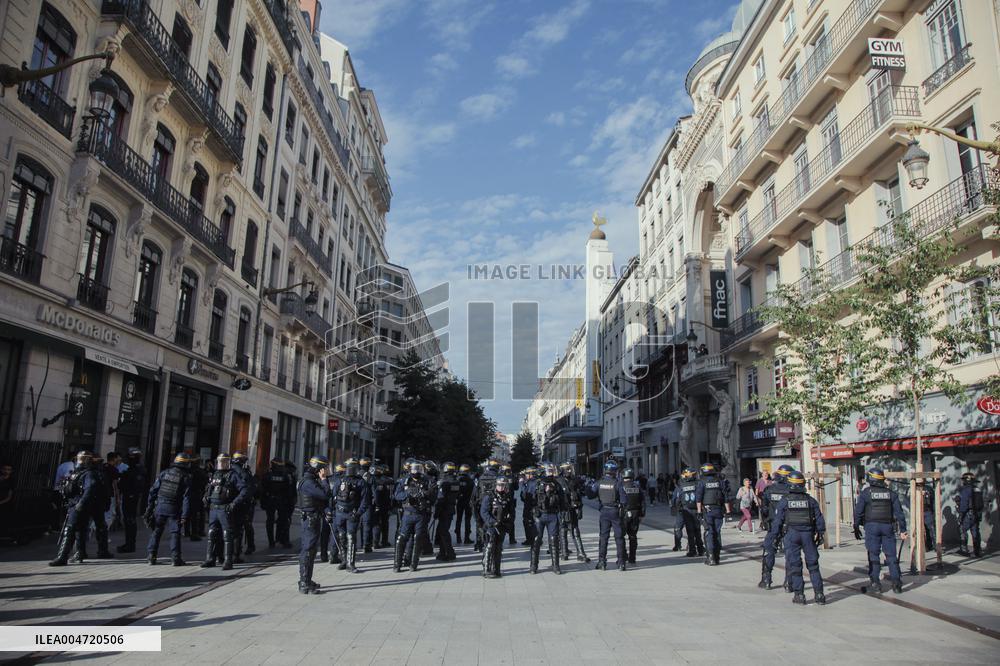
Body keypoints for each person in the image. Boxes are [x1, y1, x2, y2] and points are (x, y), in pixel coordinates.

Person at [769, 470, 826, 605]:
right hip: (808, 535)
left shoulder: (785, 501)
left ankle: (799, 595)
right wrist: (820, 533)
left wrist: (774, 537)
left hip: (792, 535)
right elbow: (819, 519)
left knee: (795, 566)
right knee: (813, 566)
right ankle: (819, 595)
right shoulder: (811, 501)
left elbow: (777, 522)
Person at [853, 468, 907, 594]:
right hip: (887, 527)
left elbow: (858, 512)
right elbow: (900, 514)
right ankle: (896, 584)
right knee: (891, 556)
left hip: (871, 527)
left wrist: (856, 526)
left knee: (873, 555)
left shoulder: (866, 493)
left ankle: (875, 584)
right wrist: (903, 530)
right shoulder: (891, 494)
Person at [50, 451, 101, 566]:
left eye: (82, 459)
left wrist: (81, 503)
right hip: (74, 503)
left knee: (69, 529)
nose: (79, 462)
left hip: (79, 505)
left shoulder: (89, 474)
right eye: (79, 459)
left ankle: (62, 556)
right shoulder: (78, 473)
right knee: (80, 530)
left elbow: (90, 489)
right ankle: (80, 553)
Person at [144, 452, 194, 566]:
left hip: (160, 506)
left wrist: (150, 507)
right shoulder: (186, 477)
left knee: (156, 531)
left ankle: (151, 556)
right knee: (175, 532)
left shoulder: (164, 473)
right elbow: (186, 498)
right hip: (174, 508)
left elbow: (153, 491)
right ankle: (175, 558)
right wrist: (185, 515)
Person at [200, 453, 248, 570]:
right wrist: (206, 496)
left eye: (224, 461)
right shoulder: (215, 474)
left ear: (228, 463)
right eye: (220, 461)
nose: (222, 463)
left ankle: (228, 560)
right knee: (211, 533)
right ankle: (210, 559)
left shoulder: (233, 475)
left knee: (227, 534)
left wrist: (234, 503)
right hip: (213, 509)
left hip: (225, 509)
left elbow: (244, 490)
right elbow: (210, 488)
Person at [297, 455, 332, 594]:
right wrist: (324, 479)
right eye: (325, 468)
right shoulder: (309, 482)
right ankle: (304, 583)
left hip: (313, 518)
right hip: (310, 520)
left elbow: (320, 500)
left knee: (311, 550)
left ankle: (307, 579)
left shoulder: (310, 480)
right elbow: (325, 495)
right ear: (319, 469)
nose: (327, 470)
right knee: (308, 550)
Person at [330, 457, 371, 573]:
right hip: (340, 513)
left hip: (352, 514)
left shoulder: (360, 482)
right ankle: (344, 560)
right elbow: (333, 497)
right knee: (342, 537)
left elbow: (365, 501)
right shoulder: (340, 480)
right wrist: (331, 511)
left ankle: (350, 563)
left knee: (351, 538)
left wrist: (358, 513)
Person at [587, 459, 628, 571]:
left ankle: (602, 562)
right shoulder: (618, 483)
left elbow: (590, 495)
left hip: (604, 511)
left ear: (605, 470)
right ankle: (621, 562)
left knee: (603, 537)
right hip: (615, 511)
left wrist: (587, 486)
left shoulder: (599, 482)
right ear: (615, 471)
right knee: (619, 537)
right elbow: (624, 500)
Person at [394, 460, 433, 572]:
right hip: (407, 514)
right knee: (402, 538)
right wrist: (408, 494)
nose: (416, 472)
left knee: (418, 538)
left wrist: (425, 494)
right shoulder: (404, 481)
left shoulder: (427, 481)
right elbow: (397, 495)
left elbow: (433, 497)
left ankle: (413, 564)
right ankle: (397, 565)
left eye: (418, 469)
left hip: (420, 514)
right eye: (414, 470)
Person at [759, 464, 793, 590]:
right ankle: (789, 583)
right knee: (790, 553)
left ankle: (766, 580)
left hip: (773, 525)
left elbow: (764, 509)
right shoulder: (792, 491)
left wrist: (765, 521)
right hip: (790, 526)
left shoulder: (769, 489)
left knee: (769, 550)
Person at [531, 462, 565, 574]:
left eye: (552, 471)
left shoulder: (557, 484)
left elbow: (562, 501)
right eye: (549, 471)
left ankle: (556, 566)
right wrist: (533, 510)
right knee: (536, 540)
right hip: (540, 515)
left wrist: (562, 514)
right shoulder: (537, 484)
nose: (551, 473)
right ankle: (533, 566)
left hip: (552, 515)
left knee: (554, 540)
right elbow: (528, 498)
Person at [696, 462, 731, 566]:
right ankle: (717, 557)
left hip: (708, 510)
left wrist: (699, 512)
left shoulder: (702, 482)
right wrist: (728, 511)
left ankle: (711, 558)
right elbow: (725, 497)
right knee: (717, 533)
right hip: (719, 509)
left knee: (709, 532)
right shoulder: (720, 481)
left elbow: (699, 499)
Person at [480, 475, 515, 578]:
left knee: (498, 548)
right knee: (490, 545)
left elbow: (512, 512)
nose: (501, 487)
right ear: (496, 485)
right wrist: (492, 522)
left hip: (502, 526)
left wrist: (509, 522)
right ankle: (486, 570)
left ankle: (496, 570)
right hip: (491, 526)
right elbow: (484, 512)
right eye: (499, 485)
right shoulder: (489, 496)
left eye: (503, 485)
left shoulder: (508, 497)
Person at [557, 461, 590, 562]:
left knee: (575, 531)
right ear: (562, 470)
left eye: (570, 468)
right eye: (567, 469)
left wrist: (580, 508)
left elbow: (579, 495)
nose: (570, 471)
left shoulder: (574, 480)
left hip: (572, 510)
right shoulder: (558, 481)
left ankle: (580, 553)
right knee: (563, 531)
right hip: (562, 510)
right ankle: (564, 553)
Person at [117, 448, 147, 553]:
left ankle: (130, 545)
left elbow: (131, 484)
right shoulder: (136, 469)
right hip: (131, 496)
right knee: (129, 521)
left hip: (130, 497)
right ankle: (129, 543)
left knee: (129, 521)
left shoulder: (136, 470)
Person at [261, 458, 295, 549]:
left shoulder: (267, 475)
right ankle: (283, 540)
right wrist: (290, 502)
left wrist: (263, 502)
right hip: (282, 500)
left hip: (271, 500)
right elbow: (289, 491)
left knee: (270, 521)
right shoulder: (286, 476)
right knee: (283, 520)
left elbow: (263, 490)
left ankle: (272, 542)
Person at [230, 451, 256, 561]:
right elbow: (251, 488)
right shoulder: (244, 472)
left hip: (233, 503)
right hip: (244, 503)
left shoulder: (229, 470)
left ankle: (234, 551)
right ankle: (248, 547)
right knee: (245, 525)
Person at [672, 468, 703, 556]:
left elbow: (677, 500)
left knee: (690, 531)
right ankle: (700, 549)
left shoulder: (681, 486)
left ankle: (692, 550)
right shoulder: (698, 484)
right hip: (696, 509)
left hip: (686, 510)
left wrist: (678, 509)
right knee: (697, 530)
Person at [434, 461, 460, 561]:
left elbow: (440, 499)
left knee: (443, 531)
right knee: (442, 531)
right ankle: (442, 553)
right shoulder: (456, 481)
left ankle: (450, 553)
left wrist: (436, 512)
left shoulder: (444, 482)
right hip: (451, 508)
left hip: (443, 509)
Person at [473, 459, 500, 552]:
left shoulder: (481, 477)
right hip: (493, 504)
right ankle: (491, 544)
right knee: (491, 524)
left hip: (480, 503)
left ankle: (479, 544)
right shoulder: (498, 477)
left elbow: (475, 493)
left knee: (480, 525)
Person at [622, 468, 646, 565]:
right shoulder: (637, 487)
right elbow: (643, 501)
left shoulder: (621, 486)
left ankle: (624, 555)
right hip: (635, 513)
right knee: (633, 536)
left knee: (621, 536)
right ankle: (632, 558)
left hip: (624, 514)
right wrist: (642, 514)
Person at [956, 472, 984, 557]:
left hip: (968, 514)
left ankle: (964, 550)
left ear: (966, 480)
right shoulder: (977, 489)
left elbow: (964, 504)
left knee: (962, 529)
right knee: (975, 532)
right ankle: (978, 551)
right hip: (977, 513)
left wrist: (961, 515)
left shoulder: (966, 489)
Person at [372, 463, 394, 548]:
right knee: (384, 523)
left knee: (376, 523)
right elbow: (391, 494)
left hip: (375, 504)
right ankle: (383, 541)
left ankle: (375, 542)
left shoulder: (372, 479)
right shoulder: (388, 480)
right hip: (384, 504)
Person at [455, 463, 475, 545]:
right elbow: (473, 493)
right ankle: (466, 538)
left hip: (460, 501)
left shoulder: (457, 480)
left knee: (458, 519)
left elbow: (455, 492)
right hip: (468, 502)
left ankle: (458, 537)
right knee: (467, 520)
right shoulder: (471, 481)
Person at [519, 467, 538, 546]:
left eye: (527, 474)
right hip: (529, 505)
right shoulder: (530, 482)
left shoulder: (532, 483)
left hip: (531, 506)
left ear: (531, 474)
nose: (525, 475)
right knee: (528, 522)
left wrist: (521, 484)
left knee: (530, 523)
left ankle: (533, 540)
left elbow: (526, 494)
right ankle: (530, 539)